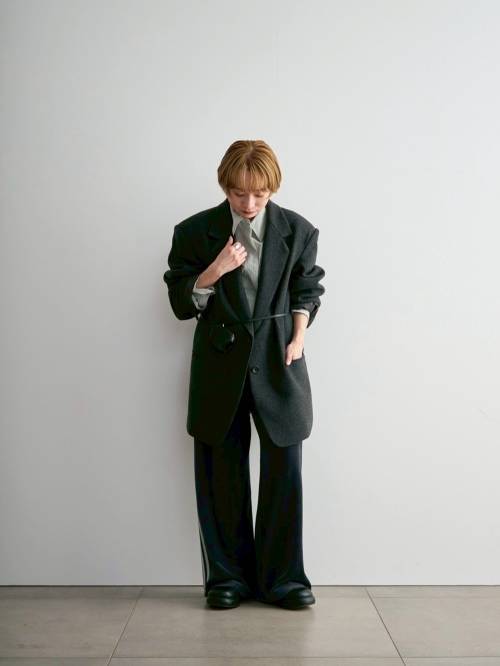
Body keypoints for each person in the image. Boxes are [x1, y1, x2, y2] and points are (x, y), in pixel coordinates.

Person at [163, 139, 325, 610]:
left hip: (280, 359)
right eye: (238, 193)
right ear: (224, 186)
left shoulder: (298, 230)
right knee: (221, 472)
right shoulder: (194, 231)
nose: (249, 203)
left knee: (284, 472)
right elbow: (179, 302)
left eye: (259, 194)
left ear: (273, 188)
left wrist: (298, 338)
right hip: (220, 362)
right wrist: (214, 270)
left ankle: (284, 580)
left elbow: (307, 288)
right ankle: (227, 579)